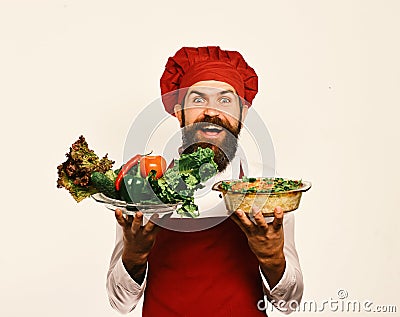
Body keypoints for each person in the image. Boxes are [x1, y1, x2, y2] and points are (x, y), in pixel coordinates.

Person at [106, 46, 303, 316]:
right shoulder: (146, 184)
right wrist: (134, 255)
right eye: (198, 100)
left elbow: (289, 303)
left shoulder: (263, 188)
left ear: (242, 113)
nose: (212, 112)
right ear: (179, 113)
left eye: (225, 101)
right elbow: (120, 303)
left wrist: (272, 258)